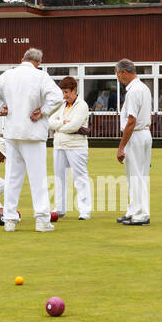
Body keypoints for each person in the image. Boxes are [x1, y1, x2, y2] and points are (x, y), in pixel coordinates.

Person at [0, 47, 62, 232]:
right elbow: (57, 97)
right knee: (38, 178)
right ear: (38, 63)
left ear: (22, 58)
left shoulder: (8, 75)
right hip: (33, 133)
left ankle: (9, 219)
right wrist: (43, 111)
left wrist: (1, 108)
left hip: (12, 133)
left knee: (12, 178)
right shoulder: (41, 76)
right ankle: (41, 220)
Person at [49, 76, 92, 220]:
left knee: (80, 178)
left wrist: (59, 126)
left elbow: (74, 125)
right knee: (59, 178)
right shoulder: (61, 105)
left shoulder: (82, 105)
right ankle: (60, 209)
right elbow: (50, 122)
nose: (65, 95)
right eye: (63, 92)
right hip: (59, 145)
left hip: (76, 146)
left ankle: (85, 211)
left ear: (75, 90)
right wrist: (63, 123)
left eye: (67, 92)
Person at [116, 58, 153, 224]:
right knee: (138, 176)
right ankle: (133, 210)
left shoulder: (133, 91)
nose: (117, 77)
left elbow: (131, 120)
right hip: (145, 133)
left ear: (124, 72)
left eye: (117, 73)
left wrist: (121, 146)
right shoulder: (144, 88)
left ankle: (140, 214)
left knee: (136, 176)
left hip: (136, 135)